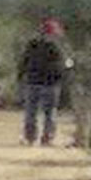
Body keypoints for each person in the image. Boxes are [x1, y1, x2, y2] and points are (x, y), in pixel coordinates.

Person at [18, 18, 71, 146]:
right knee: (49, 112)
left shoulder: (32, 44)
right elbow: (63, 66)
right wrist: (63, 79)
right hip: (50, 84)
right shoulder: (57, 48)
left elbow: (23, 62)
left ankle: (30, 137)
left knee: (31, 111)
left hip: (33, 81)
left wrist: (21, 77)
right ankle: (47, 138)